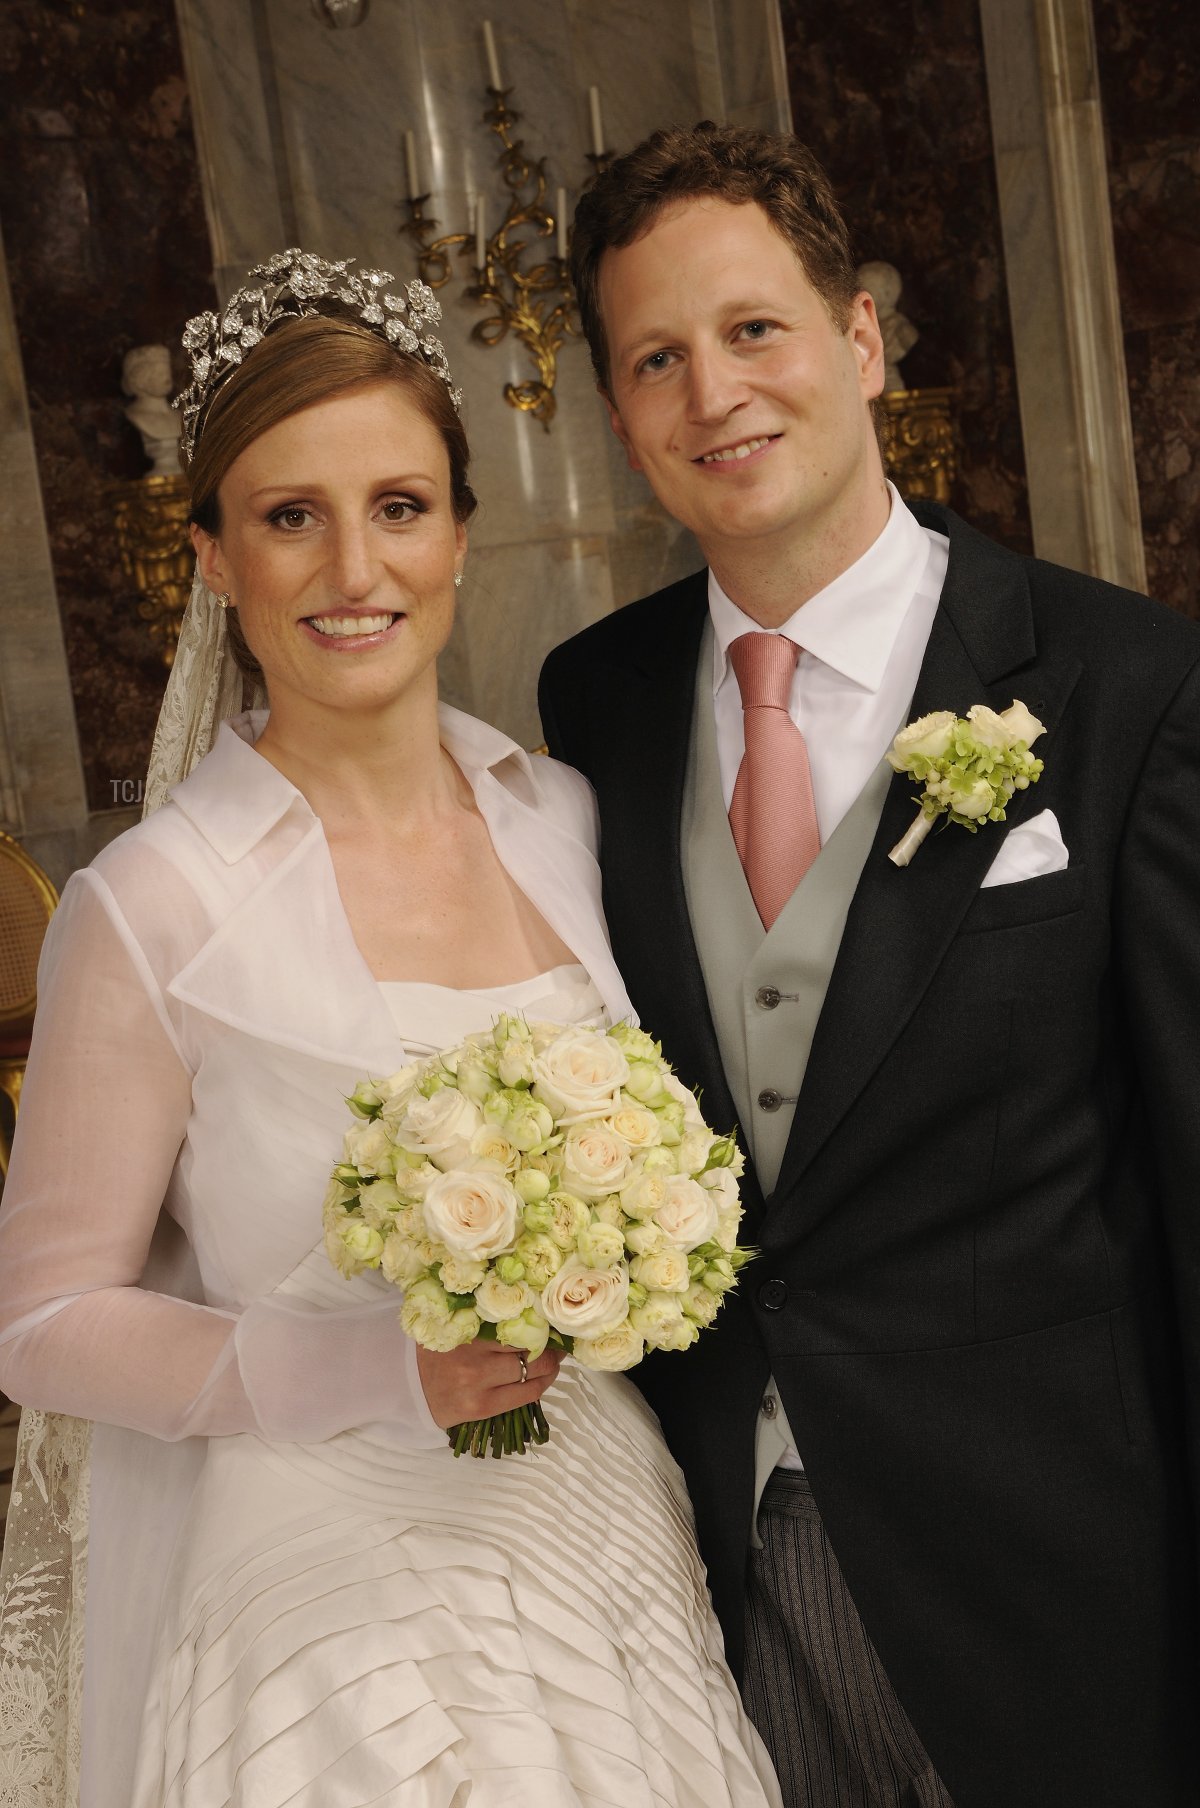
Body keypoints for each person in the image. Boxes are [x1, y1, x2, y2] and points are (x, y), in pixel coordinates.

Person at [0, 251, 782, 1808]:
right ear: (214, 556)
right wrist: (374, 1370)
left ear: (460, 537)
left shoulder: (565, 816)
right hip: (328, 1610)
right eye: (291, 516)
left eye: (400, 507)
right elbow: (40, 1326)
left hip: (604, 1543)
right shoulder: (152, 904)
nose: (354, 567)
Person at [539, 121, 1200, 1808]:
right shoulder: (592, 705)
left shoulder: (1126, 682)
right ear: (620, 418)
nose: (716, 395)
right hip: (720, 1576)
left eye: (754, 330)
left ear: (860, 339)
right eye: (657, 359)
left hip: (1065, 1575)